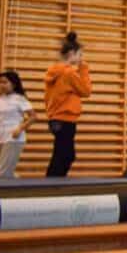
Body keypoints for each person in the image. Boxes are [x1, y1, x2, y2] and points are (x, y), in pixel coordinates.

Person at [44, 32, 90, 177]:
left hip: (56, 118)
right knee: (64, 156)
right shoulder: (69, 73)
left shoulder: (54, 71)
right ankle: (51, 185)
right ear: (72, 53)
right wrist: (84, 69)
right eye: (80, 54)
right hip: (65, 118)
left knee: (63, 154)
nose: (81, 58)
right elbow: (86, 91)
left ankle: (53, 183)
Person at [0, 71, 33, 178]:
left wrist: (20, 129)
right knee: (5, 170)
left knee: (3, 171)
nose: (2, 85)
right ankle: (18, 189)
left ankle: (3, 193)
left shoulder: (20, 99)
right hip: (1, 137)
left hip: (14, 138)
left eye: (5, 82)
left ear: (13, 84)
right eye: (0, 82)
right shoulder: (0, 100)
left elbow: (33, 117)